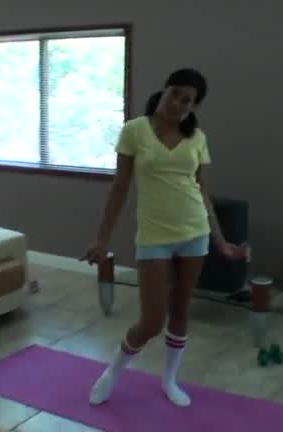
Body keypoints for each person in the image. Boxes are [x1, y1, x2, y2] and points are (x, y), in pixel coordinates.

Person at [80, 68, 246, 408]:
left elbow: (202, 192)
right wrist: (102, 239)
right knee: (152, 321)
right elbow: (119, 188)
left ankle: (169, 379)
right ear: (164, 91)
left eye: (187, 100)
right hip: (154, 236)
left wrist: (220, 240)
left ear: (193, 106)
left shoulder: (197, 138)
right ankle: (112, 372)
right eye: (175, 94)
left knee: (181, 312)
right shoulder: (135, 130)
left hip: (194, 233)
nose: (178, 104)